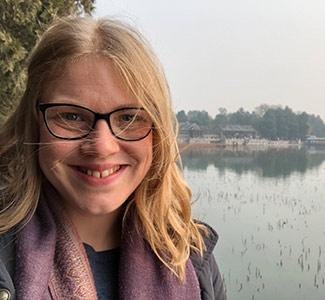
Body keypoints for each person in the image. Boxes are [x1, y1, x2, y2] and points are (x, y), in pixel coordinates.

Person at [0, 16, 226, 300]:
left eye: (129, 118)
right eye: (71, 116)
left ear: (158, 132)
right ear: (34, 123)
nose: (102, 146)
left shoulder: (192, 258)